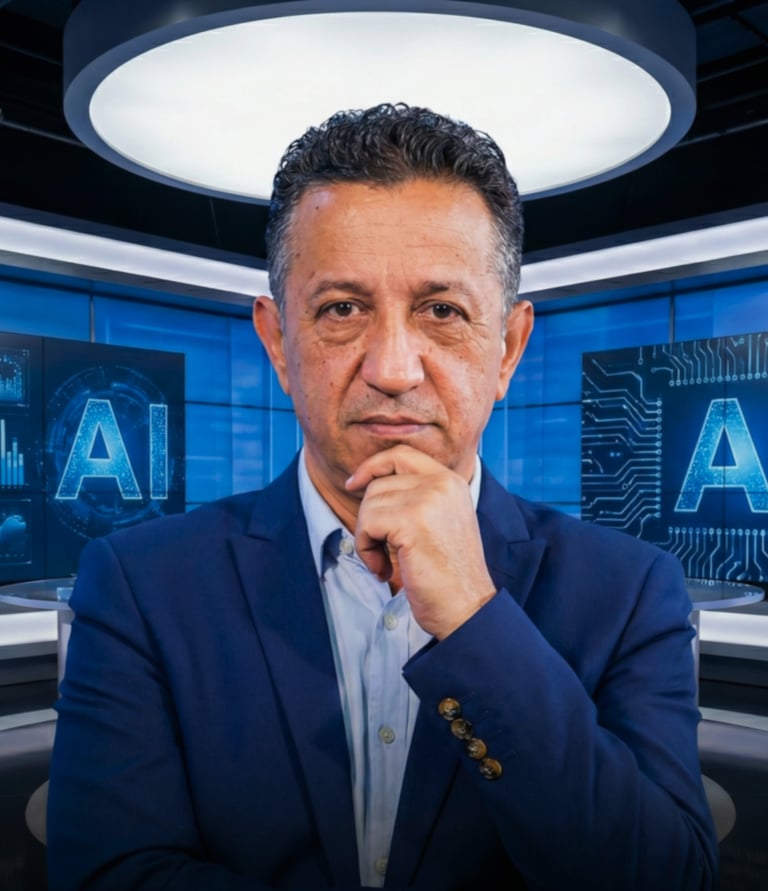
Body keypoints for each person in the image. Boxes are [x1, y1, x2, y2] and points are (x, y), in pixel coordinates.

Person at [47, 103, 718, 890]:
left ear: (507, 349)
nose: (394, 367)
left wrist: (476, 619)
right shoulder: (138, 586)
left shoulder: (631, 592)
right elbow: (112, 875)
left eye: (442, 310)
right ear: (276, 342)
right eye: (342, 309)